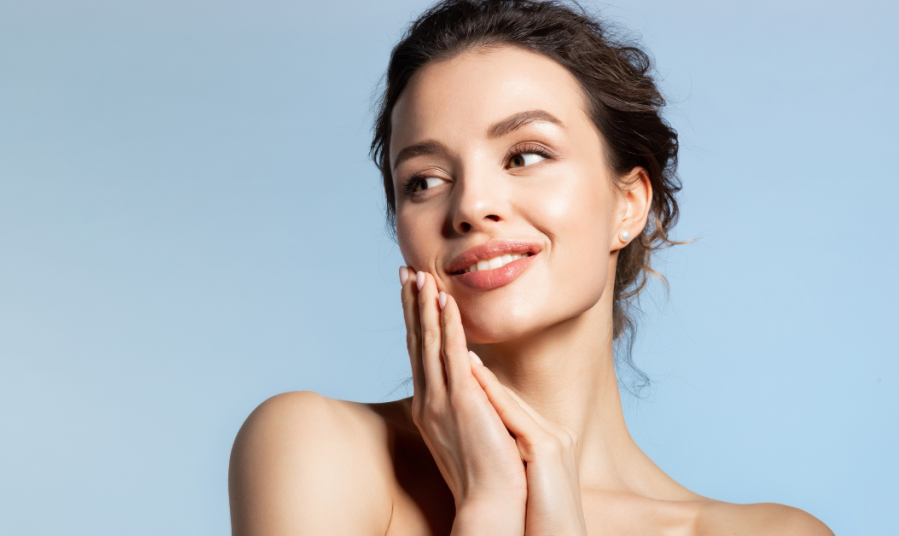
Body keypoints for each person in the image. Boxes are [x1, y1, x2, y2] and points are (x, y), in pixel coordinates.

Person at [228, 1, 834, 534]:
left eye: (525, 155)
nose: (470, 206)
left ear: (629, 204)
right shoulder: (316, 450)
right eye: (425, 180)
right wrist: (489, 505)